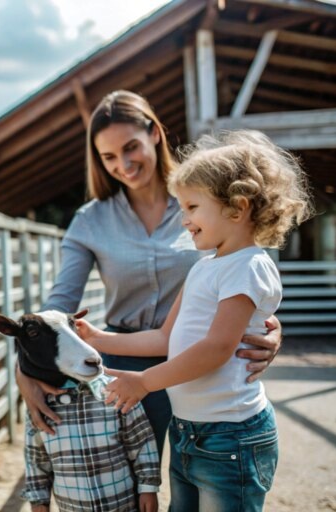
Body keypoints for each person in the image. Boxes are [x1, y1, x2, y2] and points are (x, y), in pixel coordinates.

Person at [16, 91, 282, 454]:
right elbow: (59, 304)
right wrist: (24, 366)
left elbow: (247, 271)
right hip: (123, 364)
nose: (123, 164)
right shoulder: (90, 221)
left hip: (205, 366)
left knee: (206, 475)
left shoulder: (211, 203)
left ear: (155, 134)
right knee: (129, 490)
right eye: (108, 156)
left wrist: (269, 328)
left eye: (131, 147)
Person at [78, 130, 312, 511]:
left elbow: (217, 348)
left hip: (230, 436)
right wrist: (98, 338)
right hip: (188, 430)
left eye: (191, 207)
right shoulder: (206, 268)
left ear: (237, 208)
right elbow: (164, 337)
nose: (184, 220)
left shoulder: (248, 267)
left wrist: (145, 382)